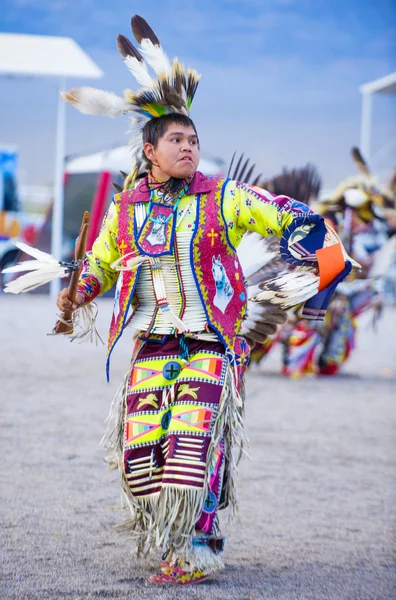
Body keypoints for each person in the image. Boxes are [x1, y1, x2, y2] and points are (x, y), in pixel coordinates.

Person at [54, 15, 352, 585]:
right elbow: (101, 264)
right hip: (151, 344)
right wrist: (77, 293)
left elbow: (284, 212)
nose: (189, 147)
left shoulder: (226, 199)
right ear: (150, 150)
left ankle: (198, 549)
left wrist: (310, 238)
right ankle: (170, 536)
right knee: (144, 458)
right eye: (178, 140)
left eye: (194, 140)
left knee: (196, 447)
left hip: (213, 343)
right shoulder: (128, 208)